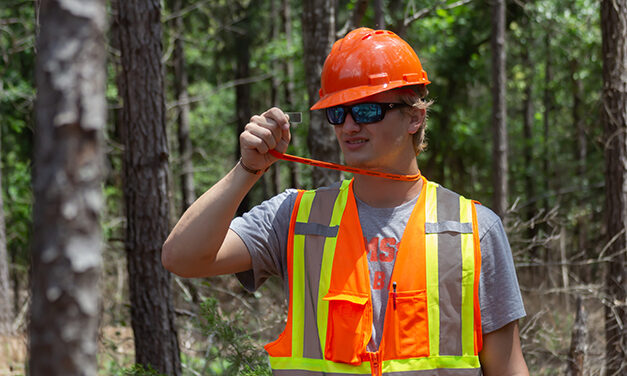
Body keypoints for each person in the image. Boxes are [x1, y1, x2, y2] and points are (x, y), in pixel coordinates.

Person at [163, 27, 529, 376]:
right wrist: (247, 169)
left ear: (414, 117)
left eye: (368, 110)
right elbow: (182, 257)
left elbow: (508, 367)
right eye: (338, 113)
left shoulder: (472, 229)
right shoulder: (295, 218)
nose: (350, 126)